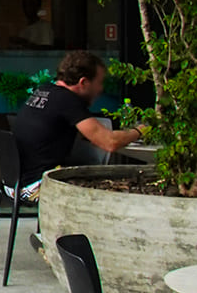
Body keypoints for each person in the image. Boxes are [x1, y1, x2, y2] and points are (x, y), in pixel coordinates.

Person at [9, 50, 142, 192]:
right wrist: (140, 130)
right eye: (99, 83)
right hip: (36, 187)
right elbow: (110, 142)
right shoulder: (68, 100)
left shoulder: (44, 91)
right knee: (117, 187)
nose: (101, 89)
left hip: (13, 185)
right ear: (83, 82)